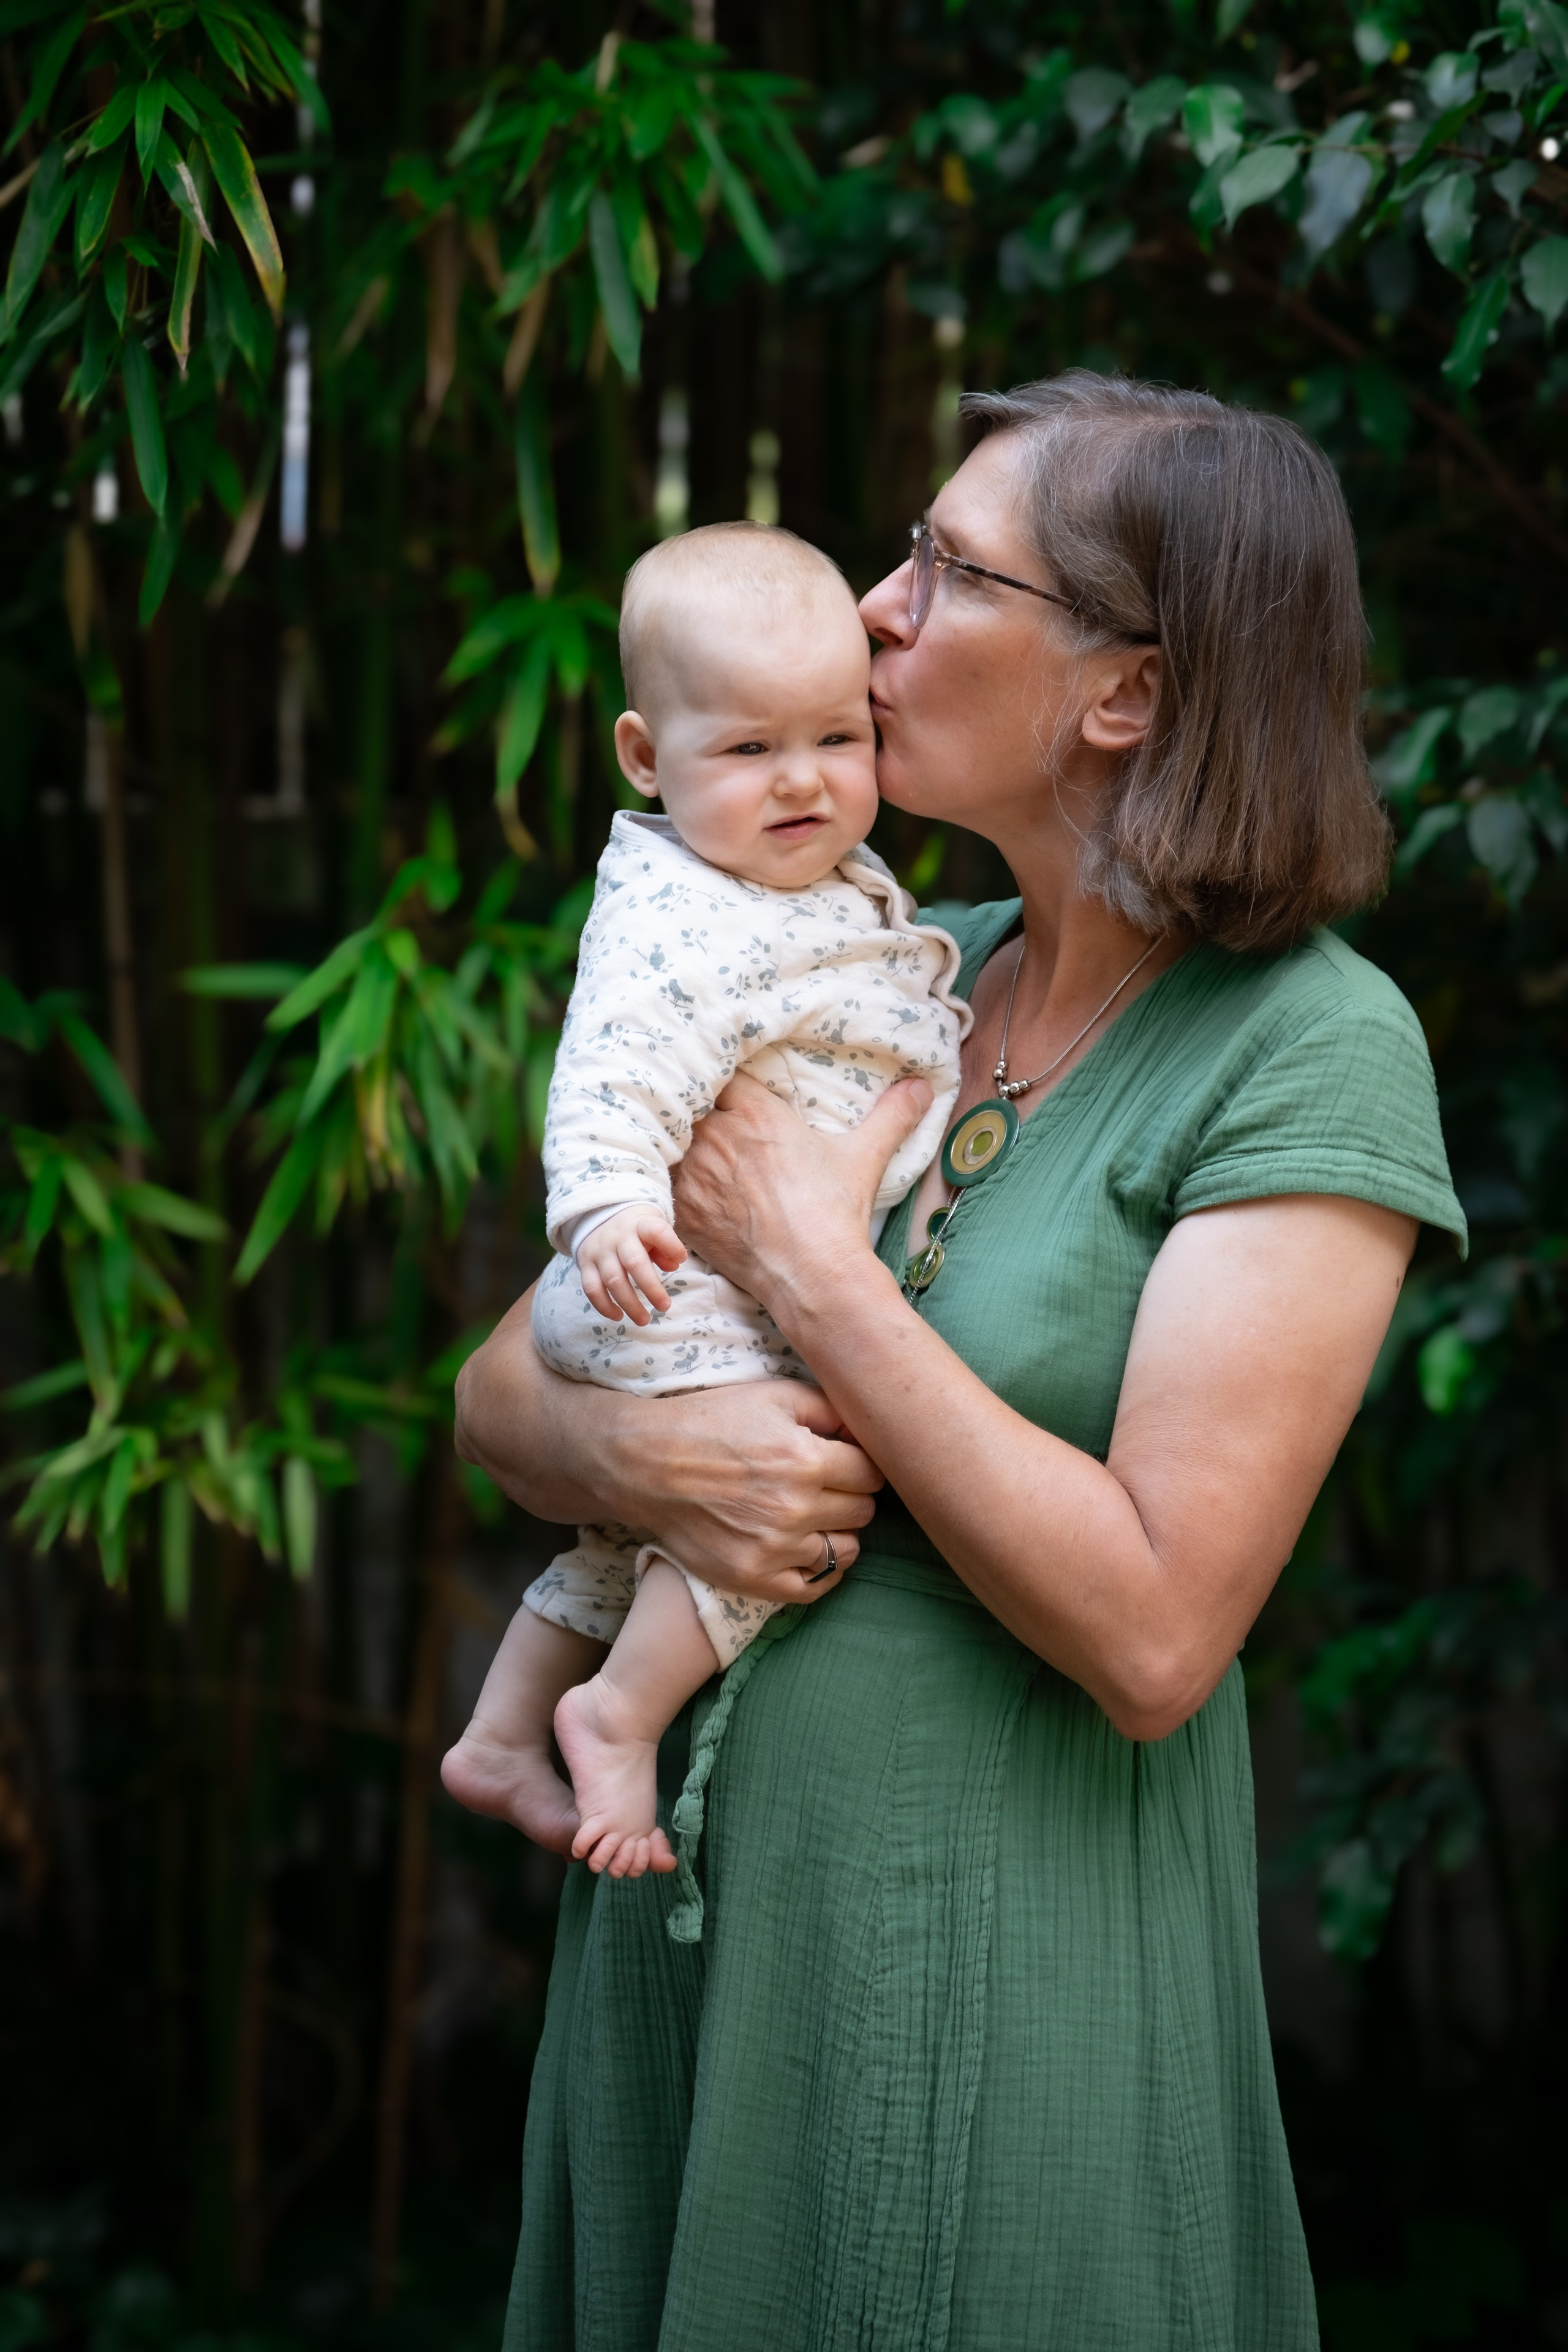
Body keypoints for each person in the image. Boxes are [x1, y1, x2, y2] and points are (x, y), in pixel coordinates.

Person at [456, 372, 1466, 2351]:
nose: (873, 605)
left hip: (1000, 1988)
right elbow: (502, 1394)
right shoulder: (880, 957)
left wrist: (815, 1278)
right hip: (688, 1952)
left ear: (1127, 694)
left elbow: (1158, 1632)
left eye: (948, 567)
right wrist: (658, 1467)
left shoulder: (1308, 1046)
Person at [441, 522, 965, 1889]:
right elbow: (611, 1070)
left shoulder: (788, 879)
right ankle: (619, 1714)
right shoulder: (686, 918)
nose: (800, 779)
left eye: (836, 738)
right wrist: (607, 1207)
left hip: (672, 1281)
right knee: (788, 1483)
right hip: (668, 1280)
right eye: (745, 749)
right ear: (643, 756)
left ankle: (499, 1733)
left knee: (631, 1533)